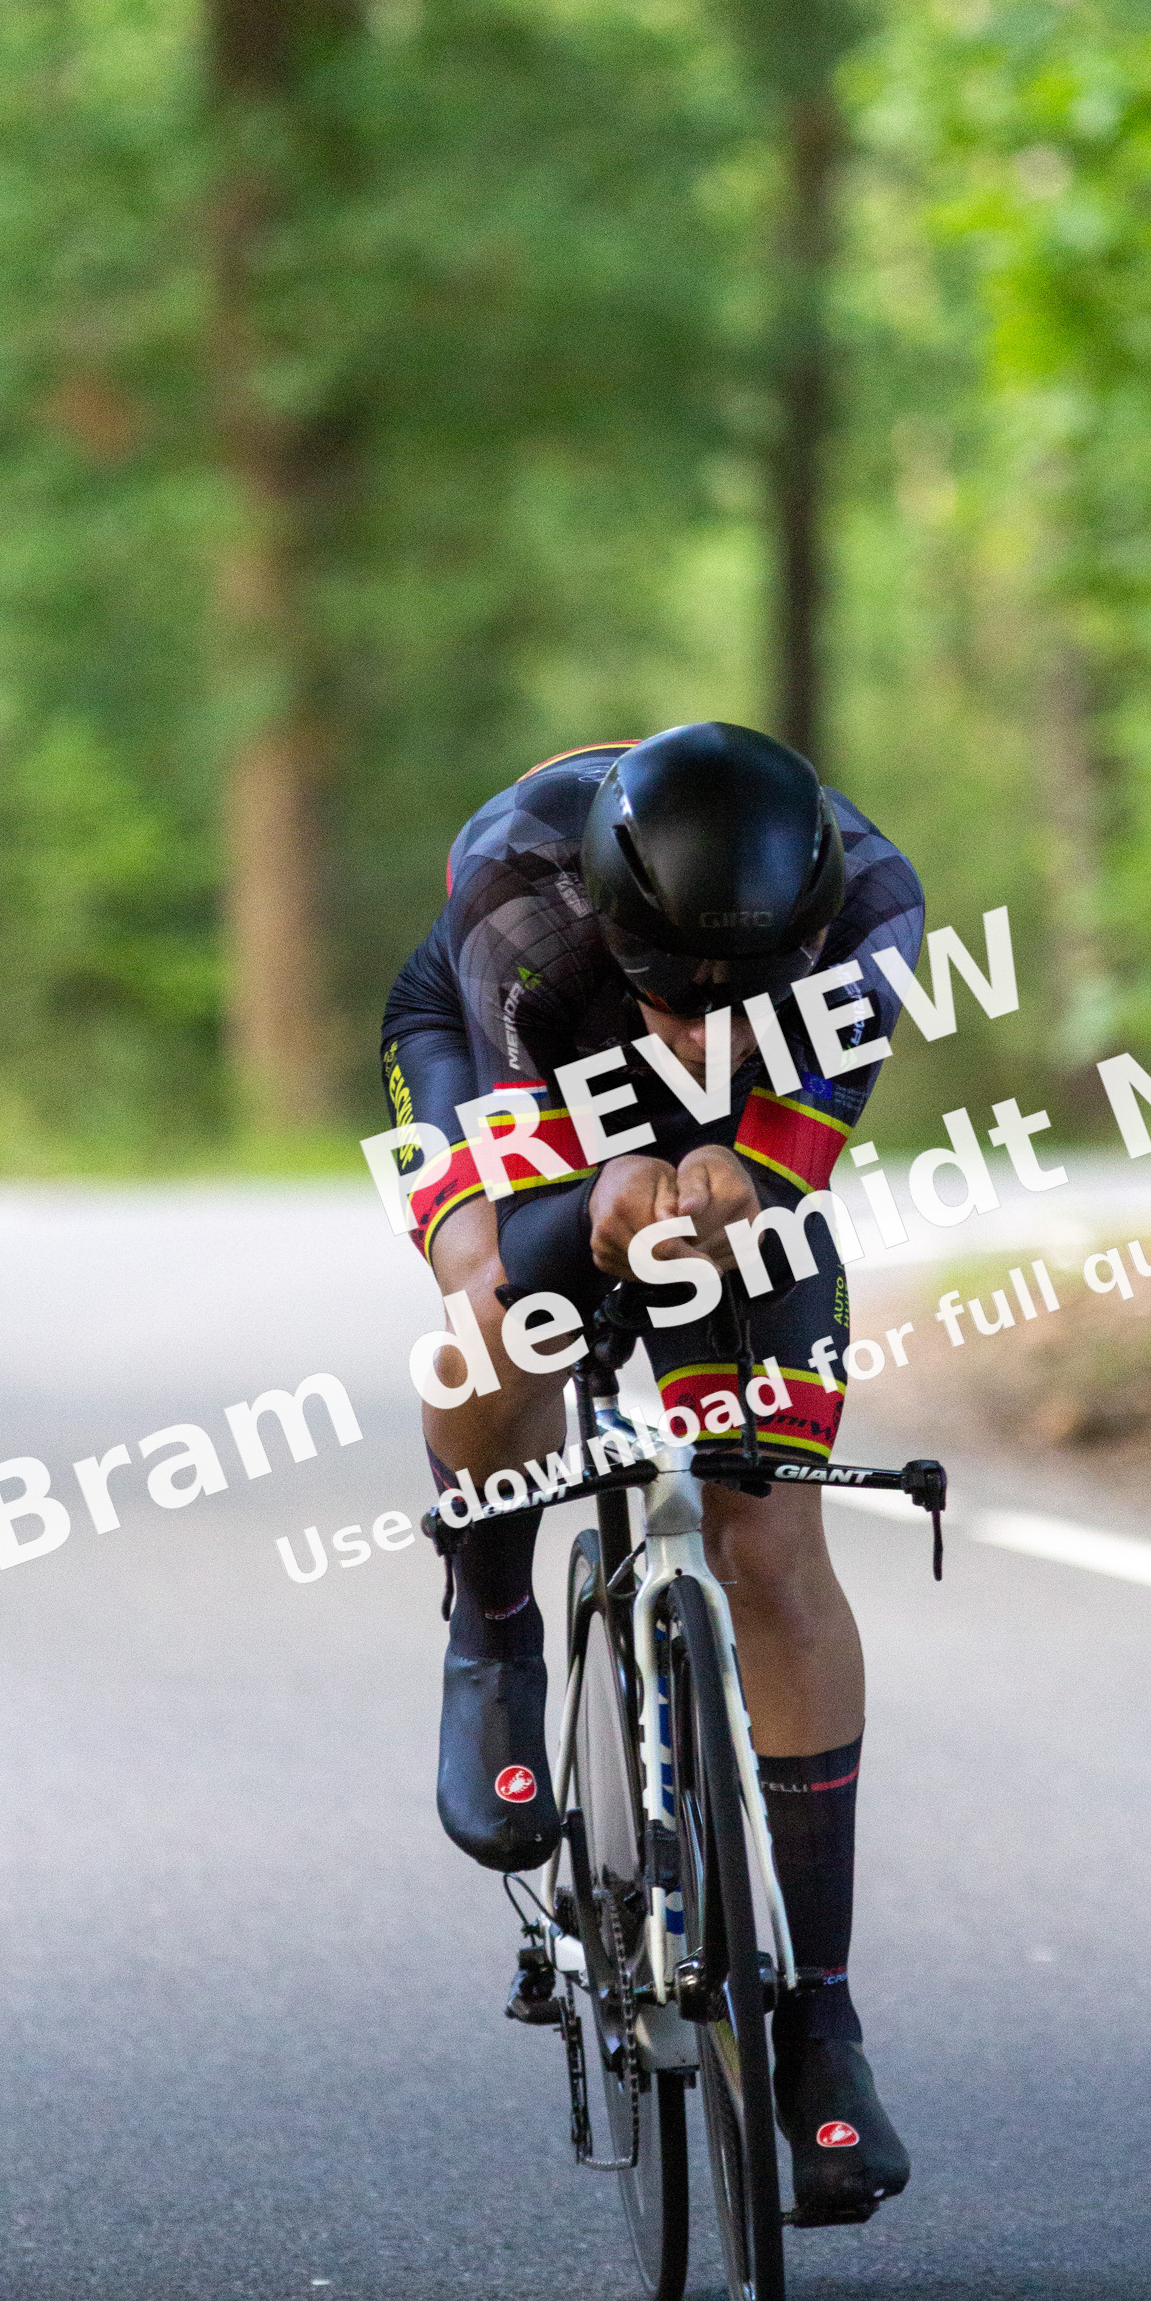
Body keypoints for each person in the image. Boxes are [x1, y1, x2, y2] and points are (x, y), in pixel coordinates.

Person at [380, 721, 924, 2223]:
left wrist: (723, 1167)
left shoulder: (876, 912)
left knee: (770, 1539)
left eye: (737, 992)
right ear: (616, 929)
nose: (701, 1021)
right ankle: (492, 1617)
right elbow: (519, 1175)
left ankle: (818, 2014)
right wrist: (600, 1180)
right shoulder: (521, 898)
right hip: (514, 1054)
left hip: (734, 1138)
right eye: (673, 989)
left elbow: (775, 1159)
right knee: (500, 1301)